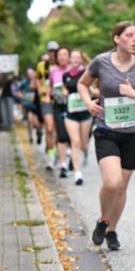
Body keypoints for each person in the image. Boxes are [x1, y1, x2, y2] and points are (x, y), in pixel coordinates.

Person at [78, 21, 135, 251]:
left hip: (132, 133)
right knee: (112, 182)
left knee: (122, 187)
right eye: (129, 35)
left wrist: (134, 93)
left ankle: (112, 230)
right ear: (116, 39)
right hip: (106, 130)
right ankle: (104, 220)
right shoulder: (101, 62)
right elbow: (82, 84)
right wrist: (88, 103)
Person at [63, 51, 92, 185]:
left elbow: (93, 88)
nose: (75, 59)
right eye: (73, 57)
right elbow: (65, 90)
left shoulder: (87, 73)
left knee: (83, 144)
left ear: (82, 60)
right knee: (75, 142)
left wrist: (91, 93)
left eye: (77, 57)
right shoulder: (66, 75)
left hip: (85, 113)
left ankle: (85, 152)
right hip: (71, 113)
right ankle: (78, 174)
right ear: (70, 60)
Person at [50, 47, 73, 177]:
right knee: (61, 135)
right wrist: (53, 93)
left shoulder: (74, 70)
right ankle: (63, 165)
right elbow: (49, 88)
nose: (63, 57)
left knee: (71, 136)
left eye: (65, 54)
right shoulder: (53, 71)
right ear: (57, 57)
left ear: (69, 56)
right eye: (60, 55)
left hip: (72, 106)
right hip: (58, 105)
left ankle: (72, 155)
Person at [36, 42, 59, 167]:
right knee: (49, 128)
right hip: (46, 100)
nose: (52, 54)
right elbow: (38, 79)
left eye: (54, 51)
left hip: (59, 101)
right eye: (50, 51)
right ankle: (50, 156)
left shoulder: (62, 66)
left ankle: (59, 153)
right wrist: (40, 90)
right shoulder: (41, 65)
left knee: (58, 130)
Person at [15, 67, 43, 145]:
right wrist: (22, 96)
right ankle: (30, 136)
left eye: (32, 73)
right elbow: (17, 90)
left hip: (37, 105)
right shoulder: (24, 82)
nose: (30, 75)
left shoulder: (38, 81)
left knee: (37, 123)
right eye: (29, 74)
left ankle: (39, 132)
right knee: (30, 120)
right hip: (29, 104)